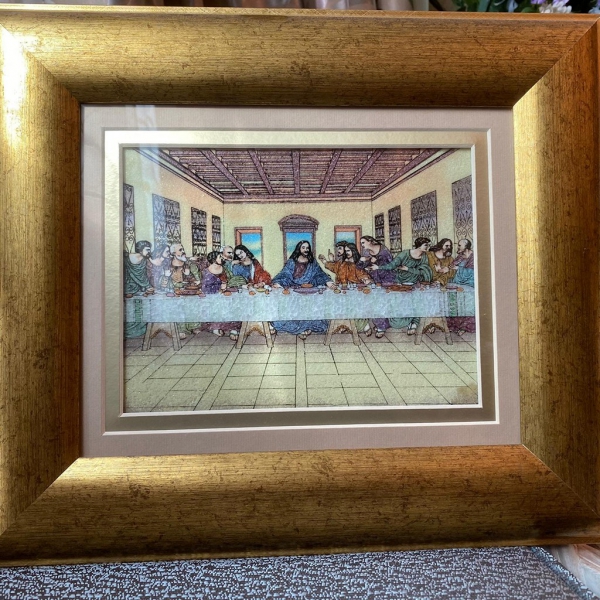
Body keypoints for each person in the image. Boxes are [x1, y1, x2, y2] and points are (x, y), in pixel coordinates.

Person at [368, 237, 433, 336]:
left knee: (417, 303)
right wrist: (379, 267)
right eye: (426, 245)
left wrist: (408, 269)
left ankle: (414, 323)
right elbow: (392, 265)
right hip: (399, 284)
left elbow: (422, 272)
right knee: (395, 306)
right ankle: (385, 325)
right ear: (419, 245)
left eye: (428, 245)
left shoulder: (424, 257)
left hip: (414, 285)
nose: (428, 247)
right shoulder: (405, 254)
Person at [271, 240, 335, 339]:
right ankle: (300, 329)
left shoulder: (312, 262)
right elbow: (285, 275)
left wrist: (328, 282)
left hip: (309, 291)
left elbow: (320, 274)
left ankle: (306, 328)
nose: (306, 250)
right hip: (294, 290)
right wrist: (278, 283)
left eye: (307, 248)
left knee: (312, 308)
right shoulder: (292, 261)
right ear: (299, 249)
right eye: (303, 247)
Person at [201, 251, 241, 341]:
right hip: (213, 299)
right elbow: (205, 288)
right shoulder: (206, 272)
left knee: (235, 304)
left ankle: (234, 329)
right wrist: (219, 288)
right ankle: (216, 327)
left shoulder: (225, 269)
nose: (222, 258)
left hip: (227, 295)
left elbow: (231, 280)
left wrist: (230, 285)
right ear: (214, 259)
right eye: (220, 257)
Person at [447, 239, 476, 335]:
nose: (458, 247)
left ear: (466, 247)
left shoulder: (473, 257)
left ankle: (465, 327)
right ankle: (454, 325)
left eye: (460, 245)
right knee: (453, 301)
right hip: (458, 283)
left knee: (466, 303)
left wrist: (458, 268)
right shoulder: (460, 256)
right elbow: (451, 266)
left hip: (470, 285)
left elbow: (473, 273)